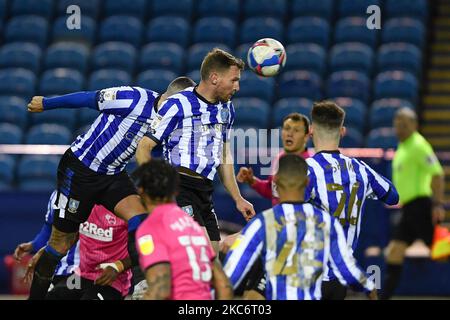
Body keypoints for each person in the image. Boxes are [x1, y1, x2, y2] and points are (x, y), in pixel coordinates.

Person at [25, 77, 196, 299]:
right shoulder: (133, 98)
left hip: (112, 175)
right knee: (60, 245)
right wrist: (46, 103)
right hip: (80, 170)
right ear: (174, 98)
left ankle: (144, 283)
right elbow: (88, 98)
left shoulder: (169, 124)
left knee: (142, 221)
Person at [136, 48, 255, 255]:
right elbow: (144, 147)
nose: (237, 87)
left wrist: (238, 198)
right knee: (198, 254)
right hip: (179, 187)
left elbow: (224, 155)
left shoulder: (227, 110)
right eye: (234, 80)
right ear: (215, 78)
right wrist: (157, 189)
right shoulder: (177, 105)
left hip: (205, 192)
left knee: (212, 259)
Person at [223, 154, 378, 300]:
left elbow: (231, 275)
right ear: (307, 182)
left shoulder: (263, 223)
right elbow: (347, 268)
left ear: (275, 182)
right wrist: (370, 289)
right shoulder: (329, 223)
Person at [305, 100, 399, 300]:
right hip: (341, 277)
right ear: (343, 131)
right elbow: (392, 196)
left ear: (311, 130)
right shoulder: (361, 170)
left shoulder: (306, 169)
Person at [134, 159, 233, 300]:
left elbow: (160, 290)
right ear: (175, 190)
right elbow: (224, 286)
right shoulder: (193, 226)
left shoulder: (150, 228)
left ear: (141, 191)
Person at [381, 108, 445, 299]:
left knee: (442, 250)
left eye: (405, 124)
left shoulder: (419, 145)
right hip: (408, 208)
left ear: (415, 125)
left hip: (421, 206)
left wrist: (437, 204)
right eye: (398, 124)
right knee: (395, 251)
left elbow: (437, 174)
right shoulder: (403, 147)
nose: (400, 128)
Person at [19, 191, 132, 300]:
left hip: (111, 281)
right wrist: (46, 252)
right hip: (80, 277)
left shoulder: (125, 208)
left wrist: (118, 266)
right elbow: (72, 235)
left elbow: (141, 251)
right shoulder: (82, 203)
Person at [236, 112, 311, 205]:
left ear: (306, 137)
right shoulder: (279, 157)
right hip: (279, 217)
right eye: (287, 128)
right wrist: (252, 181)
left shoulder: (312, 164)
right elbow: (273, 191)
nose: (290, 134)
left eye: (296, 130)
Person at [14, 190, 80, 291]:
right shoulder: (56, 195)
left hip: (77, 270)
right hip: (52, 267)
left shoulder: (92, 196)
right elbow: (49, 227)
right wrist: (33, 245)